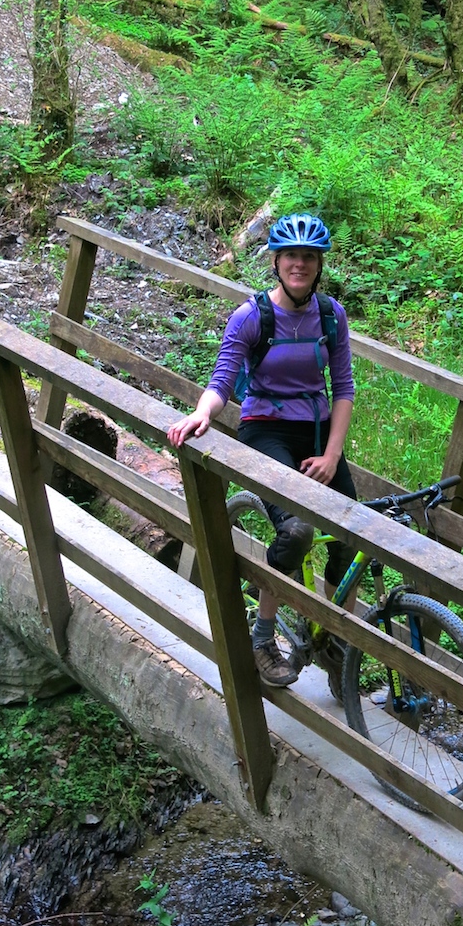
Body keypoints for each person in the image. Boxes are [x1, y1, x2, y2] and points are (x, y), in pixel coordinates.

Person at [167, 214, 357, 688]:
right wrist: (203, 413)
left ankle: (336, 644)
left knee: (353, 541)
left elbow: (344, 389)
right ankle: (263, 636)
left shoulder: (331, 316)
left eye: (308, 257)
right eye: (291, 256)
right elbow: (223, 379)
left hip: (315, 435)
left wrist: (332, 456)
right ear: (275, 261)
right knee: (295, 533)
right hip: (265, 430)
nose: (300, 264)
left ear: (318, 265)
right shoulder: (252, 316)